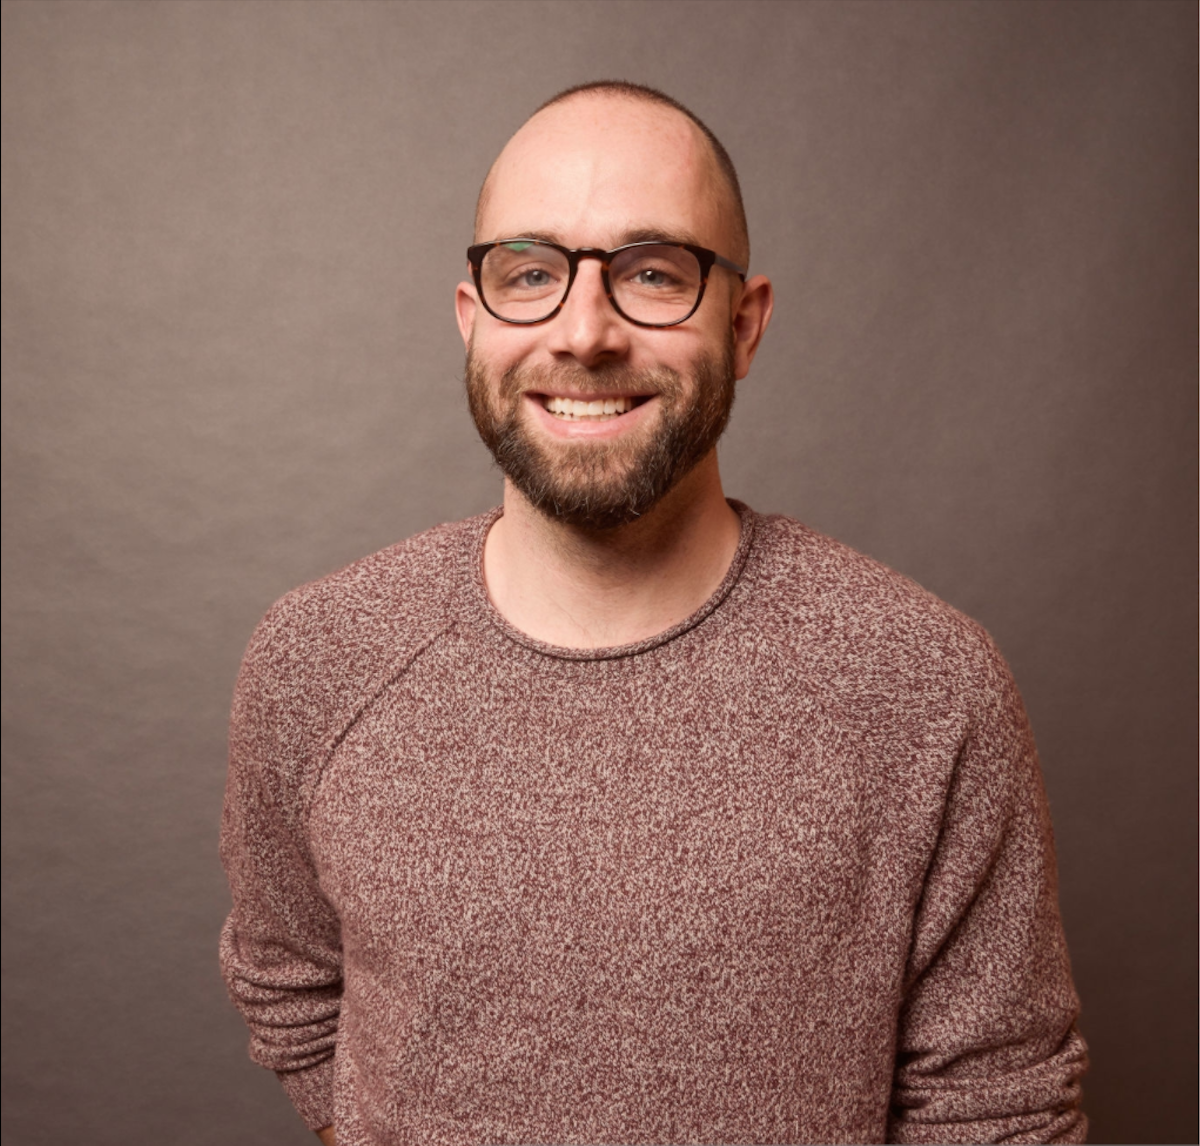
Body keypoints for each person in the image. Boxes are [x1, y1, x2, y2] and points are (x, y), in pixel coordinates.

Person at [219, 82, 1088, 1145]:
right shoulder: (319, 657)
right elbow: (291, 988)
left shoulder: (925, 683)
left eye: (652, 275)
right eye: (530, 273)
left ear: (745, 322)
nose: (585, 333)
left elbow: (997, 1108)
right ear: (471, 318)